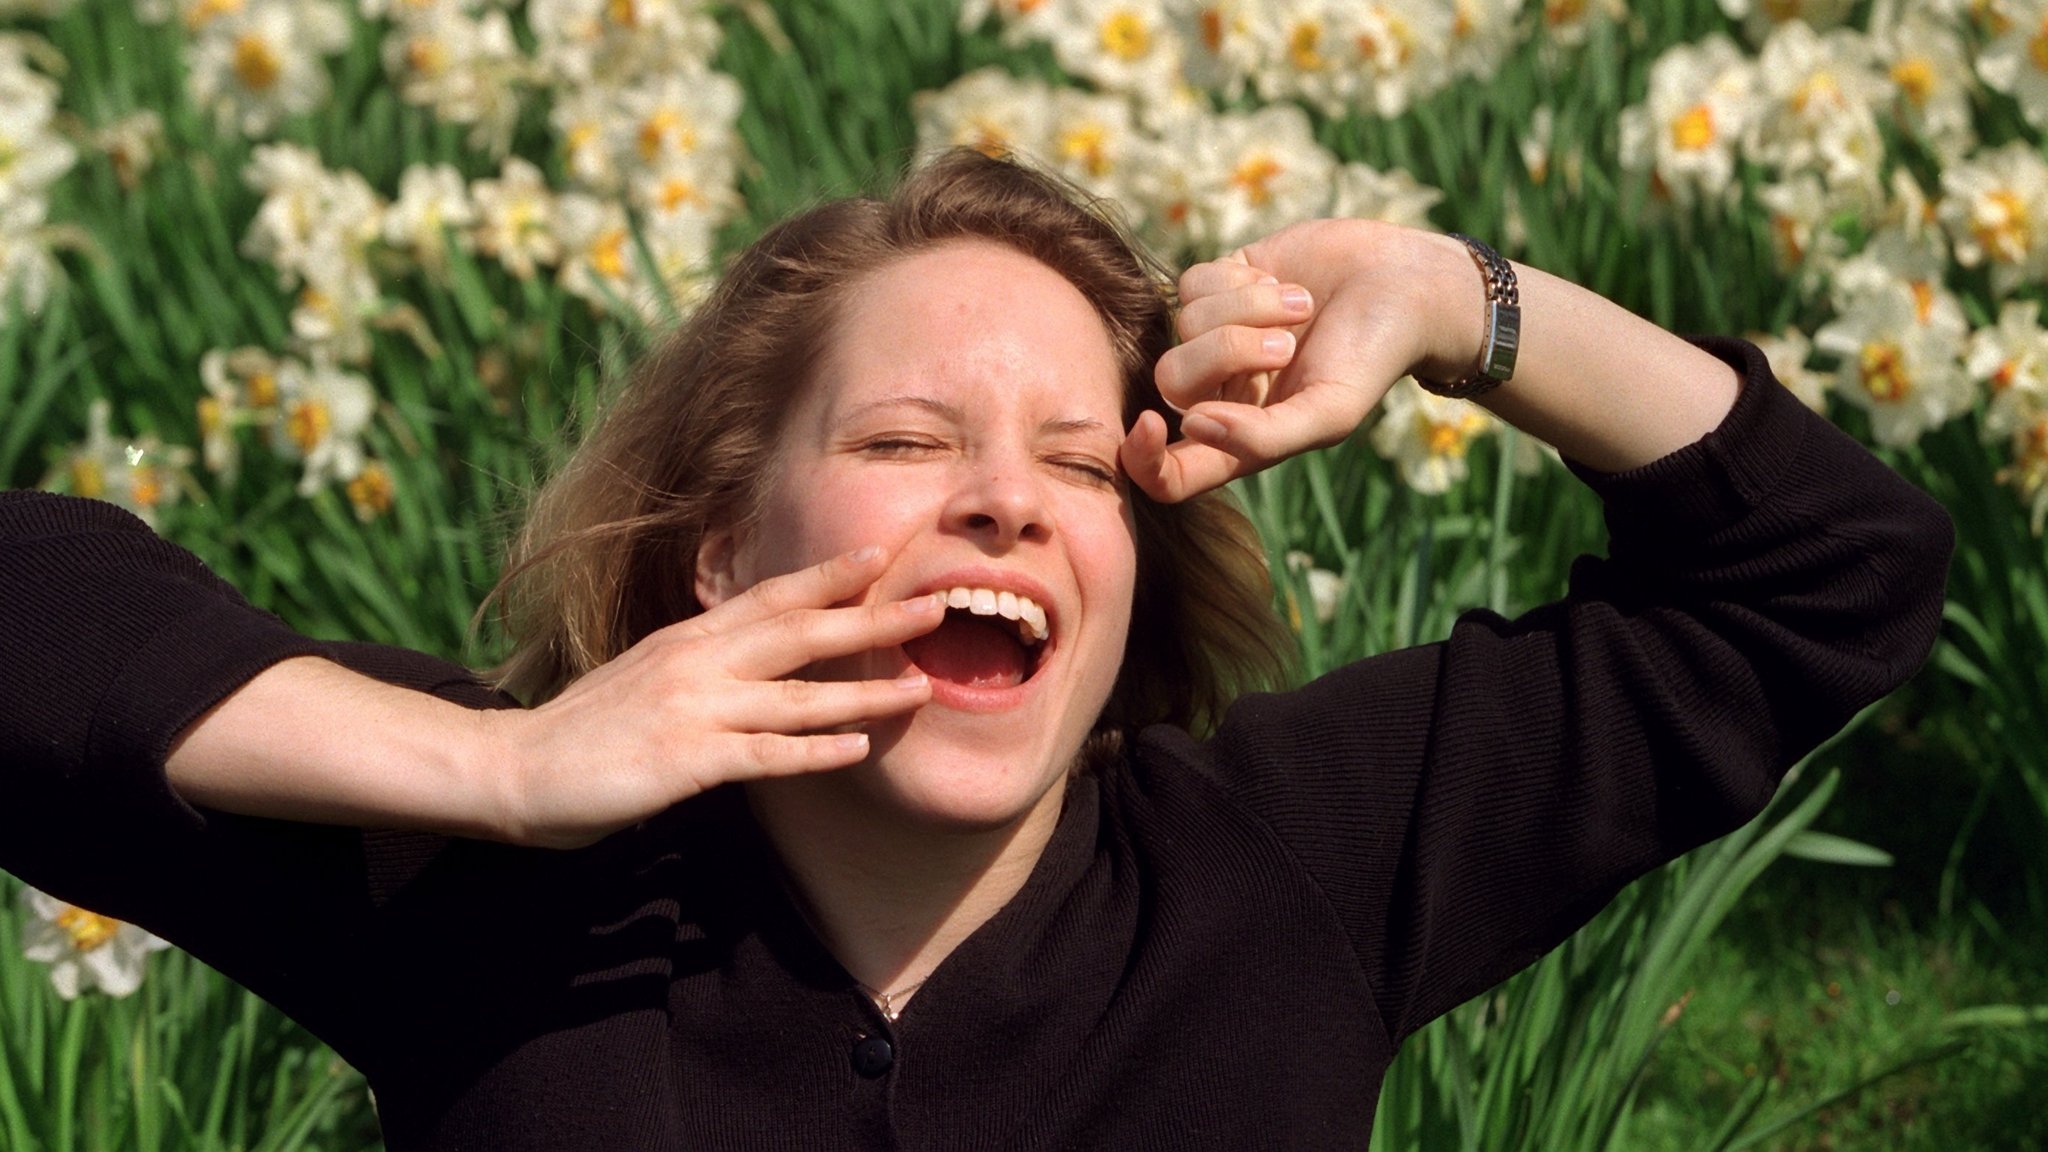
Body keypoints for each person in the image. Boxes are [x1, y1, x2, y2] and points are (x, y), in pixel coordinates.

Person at [0, 150, 1954, 1149]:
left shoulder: (1286, 867)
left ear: (1130, 565)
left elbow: (1827, 576)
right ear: (714, 553)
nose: (1006, 501)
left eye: (1081, 462)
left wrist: (1460, 300)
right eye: (906, 444)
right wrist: (499, 771)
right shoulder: (498, 878)